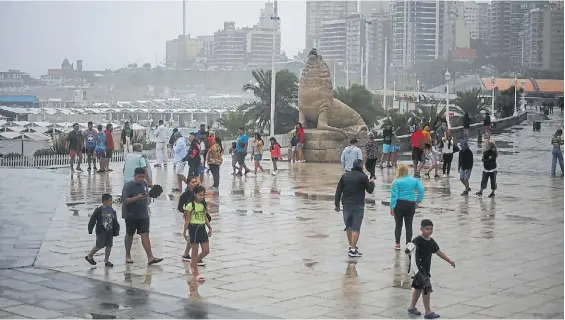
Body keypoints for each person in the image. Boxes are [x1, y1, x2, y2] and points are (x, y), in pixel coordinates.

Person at [405, 219, 455, 319]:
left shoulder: (431, 242)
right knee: (426, 289)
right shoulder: (417, 240)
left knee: (418, 288)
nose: (429, 231)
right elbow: (409, 249)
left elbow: (438, 252)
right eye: (426, 229)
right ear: (421, 229)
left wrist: (449, 260)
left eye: (431, 229)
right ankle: (428, 312)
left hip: (425, 269)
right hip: (419, 270)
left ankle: (411, 307)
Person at [334, 159, 375, 257]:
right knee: (356, 227)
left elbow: (338, 191)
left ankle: (351, 246)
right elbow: (370, 190)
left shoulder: (345, 176)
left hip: (346, 204)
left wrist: (337, 204)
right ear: (361, 166)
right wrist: (372, 182)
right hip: (358, 204)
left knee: (348, 226)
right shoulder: (363, 177)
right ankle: (353, 250)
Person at [122, 167, 163, 265]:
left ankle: (150, 257)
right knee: (130, 234)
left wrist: (148, 196)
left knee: (145, 234)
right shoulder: (128, 186)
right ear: (134, 176)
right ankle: (127, 255)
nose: (141, 179)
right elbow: (124, 200)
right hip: (130, 214)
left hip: (143, 214)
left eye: (143, 177)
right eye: (139, 177)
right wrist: (136, 198)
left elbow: (146, 196)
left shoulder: (144, 184)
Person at [389, 164, 424, 250]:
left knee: (398, 225)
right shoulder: (414, 180)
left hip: (399, 204)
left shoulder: (396, 181)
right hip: (410, 204)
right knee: (409, 224)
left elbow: (394, 196)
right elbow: (421, 190)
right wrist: (418, 201)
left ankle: (397, 244)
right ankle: (408, 243)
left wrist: (392, 207)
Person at [183, 185, 212, 281]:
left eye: (203, 195)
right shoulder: (190, 205)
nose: (202, 197)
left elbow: (205, 217)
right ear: (195, 194)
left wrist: (209, 227)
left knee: (206, 250)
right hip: (193, 229)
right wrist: (184, 232)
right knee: (194, 252)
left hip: (202, 228)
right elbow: (187, 220)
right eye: (200, 195)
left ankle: (193, 262)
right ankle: (195, 272)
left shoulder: (203, 205)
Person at [85, 194, 119, 267]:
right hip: (101, 232)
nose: (111, 202)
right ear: (104, 202)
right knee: (99, 245)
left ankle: (106, 260)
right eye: (110, 201)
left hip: (109, 231)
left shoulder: (112, 210)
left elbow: (115, 221)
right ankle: (89, 256)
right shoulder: (99, 209)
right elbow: (93, 219)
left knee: (109, 245)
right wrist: (90, 229)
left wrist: (116, 230)